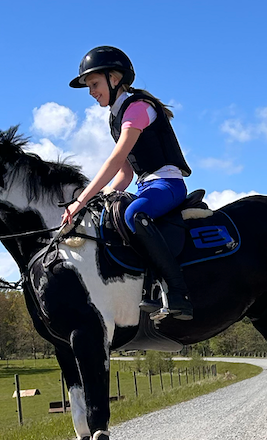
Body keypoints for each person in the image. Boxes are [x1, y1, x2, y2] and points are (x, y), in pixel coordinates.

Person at [61, 46, 194, 320]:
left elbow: (115, 159)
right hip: (146, 185)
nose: (91, 92)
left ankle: (178, 292)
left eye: (94, 84)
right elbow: (125, 174)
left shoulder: (138, 109)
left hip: (168, 184)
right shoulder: (116, 118)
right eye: (89, 87)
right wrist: (102, 198)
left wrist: (81, 199)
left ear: (115, 78)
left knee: (135, 214)